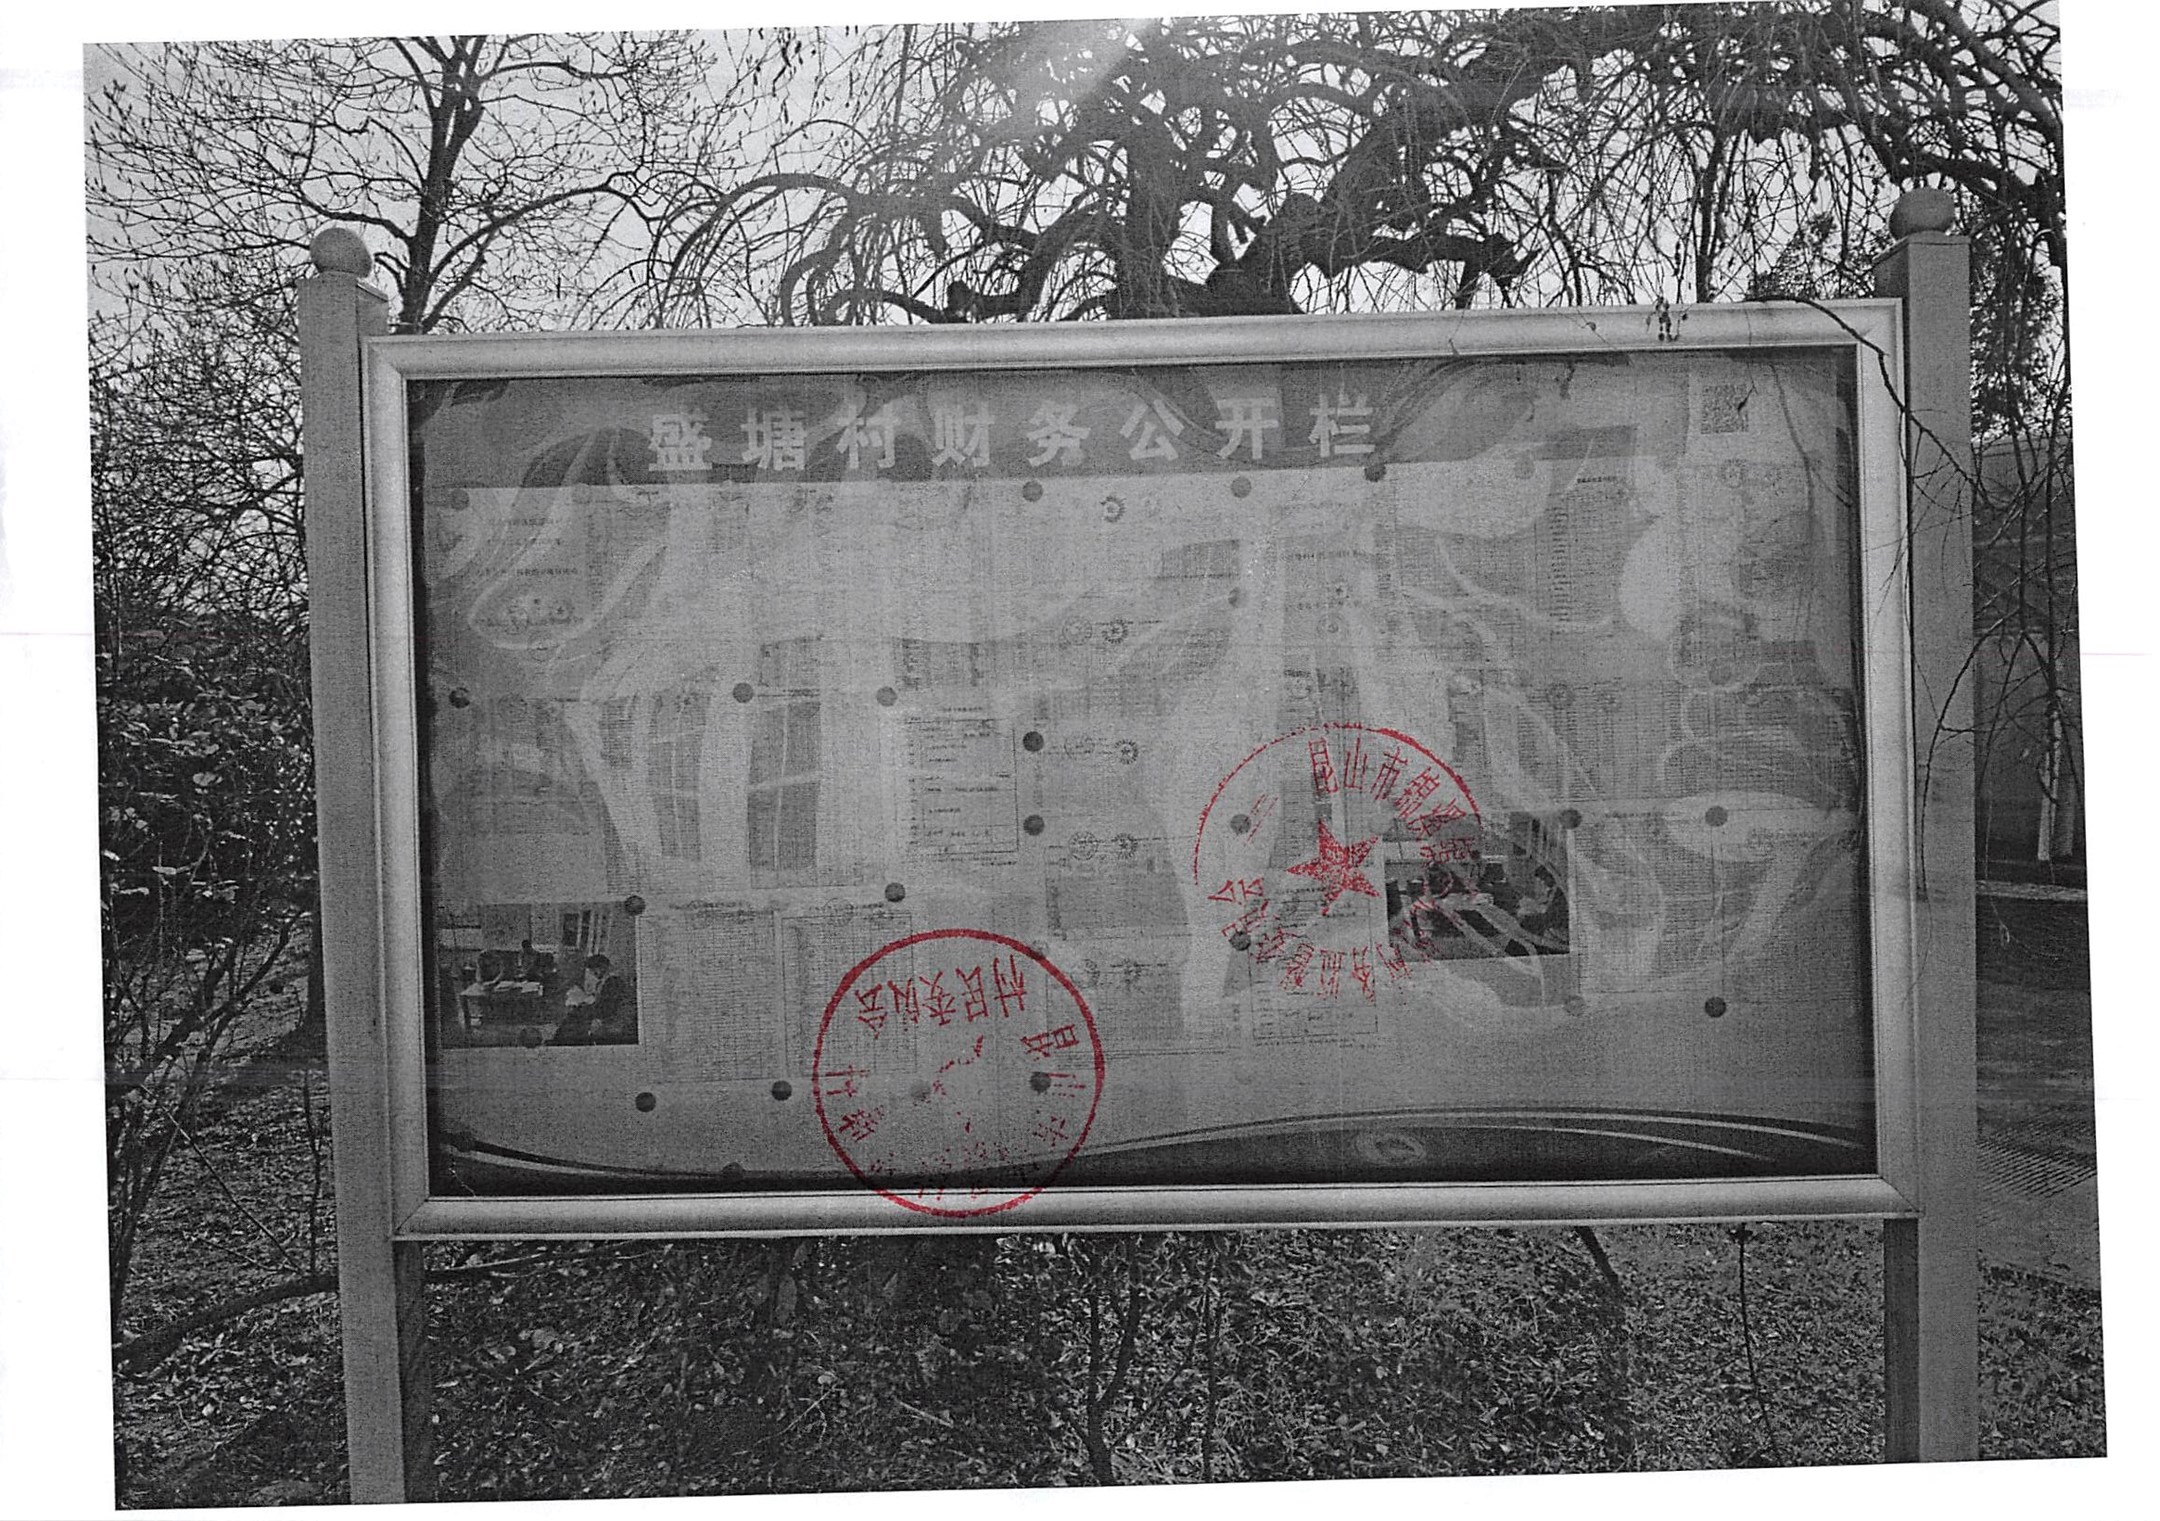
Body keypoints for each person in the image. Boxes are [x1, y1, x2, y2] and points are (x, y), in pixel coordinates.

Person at [552, 954, 635, 1045]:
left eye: (594, 971)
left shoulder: (613, 982)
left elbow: (606, 1010)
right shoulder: (609, 980)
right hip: (609, 1018)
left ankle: (558, 1043)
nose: (593, 974)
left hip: (615, 1022)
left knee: (574, 1020)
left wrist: (583, 1007)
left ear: (602, 967)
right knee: (574, 1018)